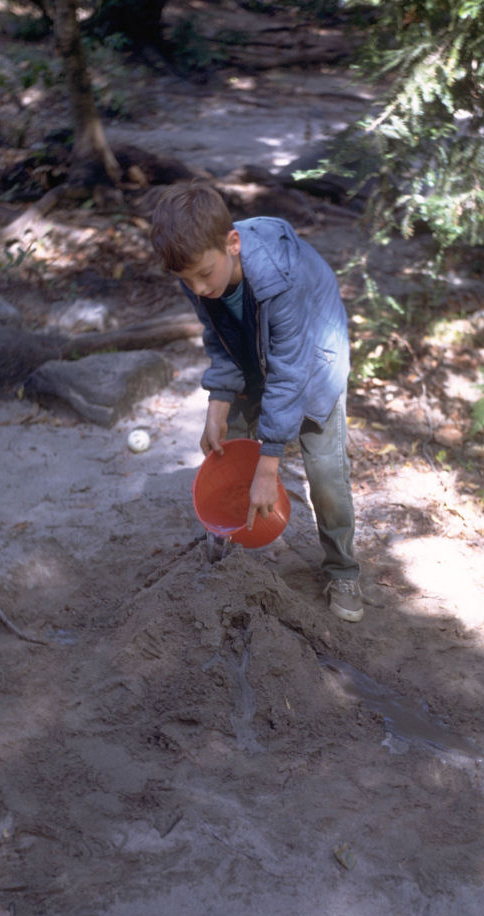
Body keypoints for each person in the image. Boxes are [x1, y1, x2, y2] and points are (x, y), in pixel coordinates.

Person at [151, 180, 363, 623]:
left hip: (314, 358)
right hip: (256, 353)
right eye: (186, 281)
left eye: (204, 275)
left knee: (324, 472)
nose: (197, 288)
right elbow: (219, 335)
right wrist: (218, 403)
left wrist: (271, 466)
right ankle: (231, 550)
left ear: (233, 244)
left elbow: (289, 374)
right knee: (237, 451)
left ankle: (343, 569)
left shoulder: (281, 278)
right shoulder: (201, 269)